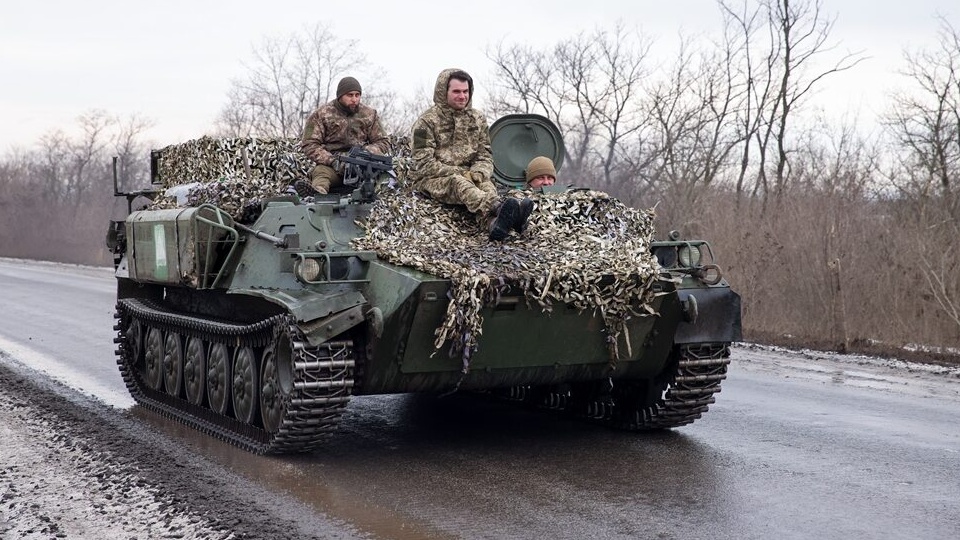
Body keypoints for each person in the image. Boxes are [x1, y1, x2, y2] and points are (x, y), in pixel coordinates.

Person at [409, 68, 533, 241]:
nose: (462, 96)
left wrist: (479, 173)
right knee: (459, 184)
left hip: (471, 175)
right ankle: (500, 208)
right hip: (432, 180)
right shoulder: (424, 123)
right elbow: (423, 163)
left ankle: (496, 224)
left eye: (466, 91)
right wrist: (462, 174)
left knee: (486, 185)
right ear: (443, 92)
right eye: (456, 91)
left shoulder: (478, 119)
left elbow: (485, 154)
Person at [297, 76, 390, 197]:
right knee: (321, 173)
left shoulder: (369, 114)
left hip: (363, 167)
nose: (354, 99)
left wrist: (366, 153)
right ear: (340, 96)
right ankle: (318, 194)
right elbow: (309, 144)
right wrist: (333, 161)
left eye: (357, 95)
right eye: (350, 95)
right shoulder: (322, 114)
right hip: (333, 167)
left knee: (383, 174)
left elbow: (383, 141)